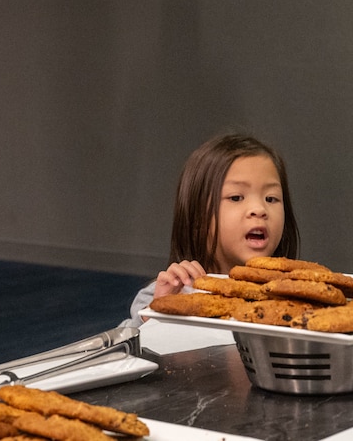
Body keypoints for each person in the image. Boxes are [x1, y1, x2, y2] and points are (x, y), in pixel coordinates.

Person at [122, 133, 301, 325]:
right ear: (198, 216)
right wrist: (156, 314)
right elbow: (118, 348)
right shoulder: (168, 293)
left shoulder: (294, 298)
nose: (259, 209)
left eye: (271, 198)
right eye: (236, 197)